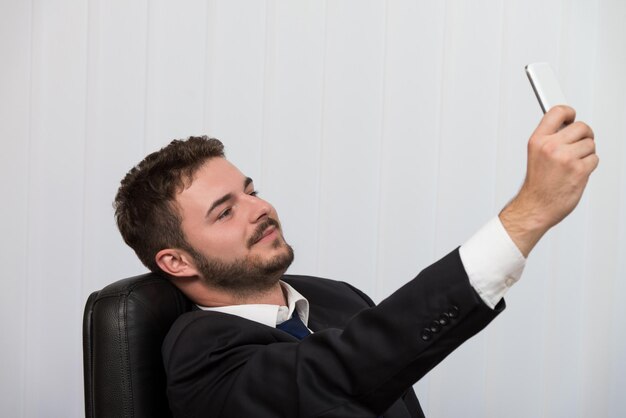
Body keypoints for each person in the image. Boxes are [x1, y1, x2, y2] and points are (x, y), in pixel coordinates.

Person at [114, 106, 597, 418]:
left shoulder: (335, 296)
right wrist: (528, 214)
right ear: (176, 261)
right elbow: (350, 367)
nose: (259, 208)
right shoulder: (201, 357)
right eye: (225, 211)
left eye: (251, 191)